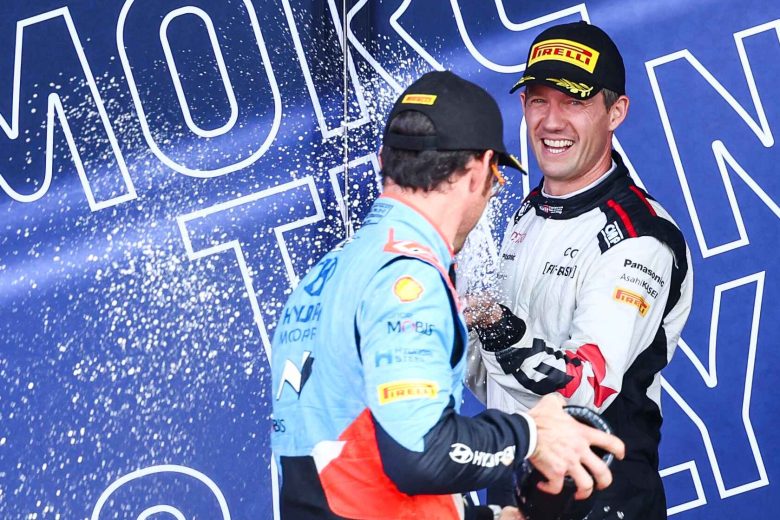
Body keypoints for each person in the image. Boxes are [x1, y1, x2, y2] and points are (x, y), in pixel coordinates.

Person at [271, 70, 625, 520]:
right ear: (479, 171)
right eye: (496, 179)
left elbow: (355, 467)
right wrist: (530, 435)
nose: (491, 193)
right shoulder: (408, 279)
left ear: (383, 161)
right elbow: (419, 454)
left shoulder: (328, 271)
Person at [467, 21, 694, 519]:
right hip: (516, 487)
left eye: (573, 102)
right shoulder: (530, 212)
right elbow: (493, 384)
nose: (551, 121)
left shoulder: (639, 237)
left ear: (616, 112)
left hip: (599, 497)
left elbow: (584, 386)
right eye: (538, 101)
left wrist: (493, 325)